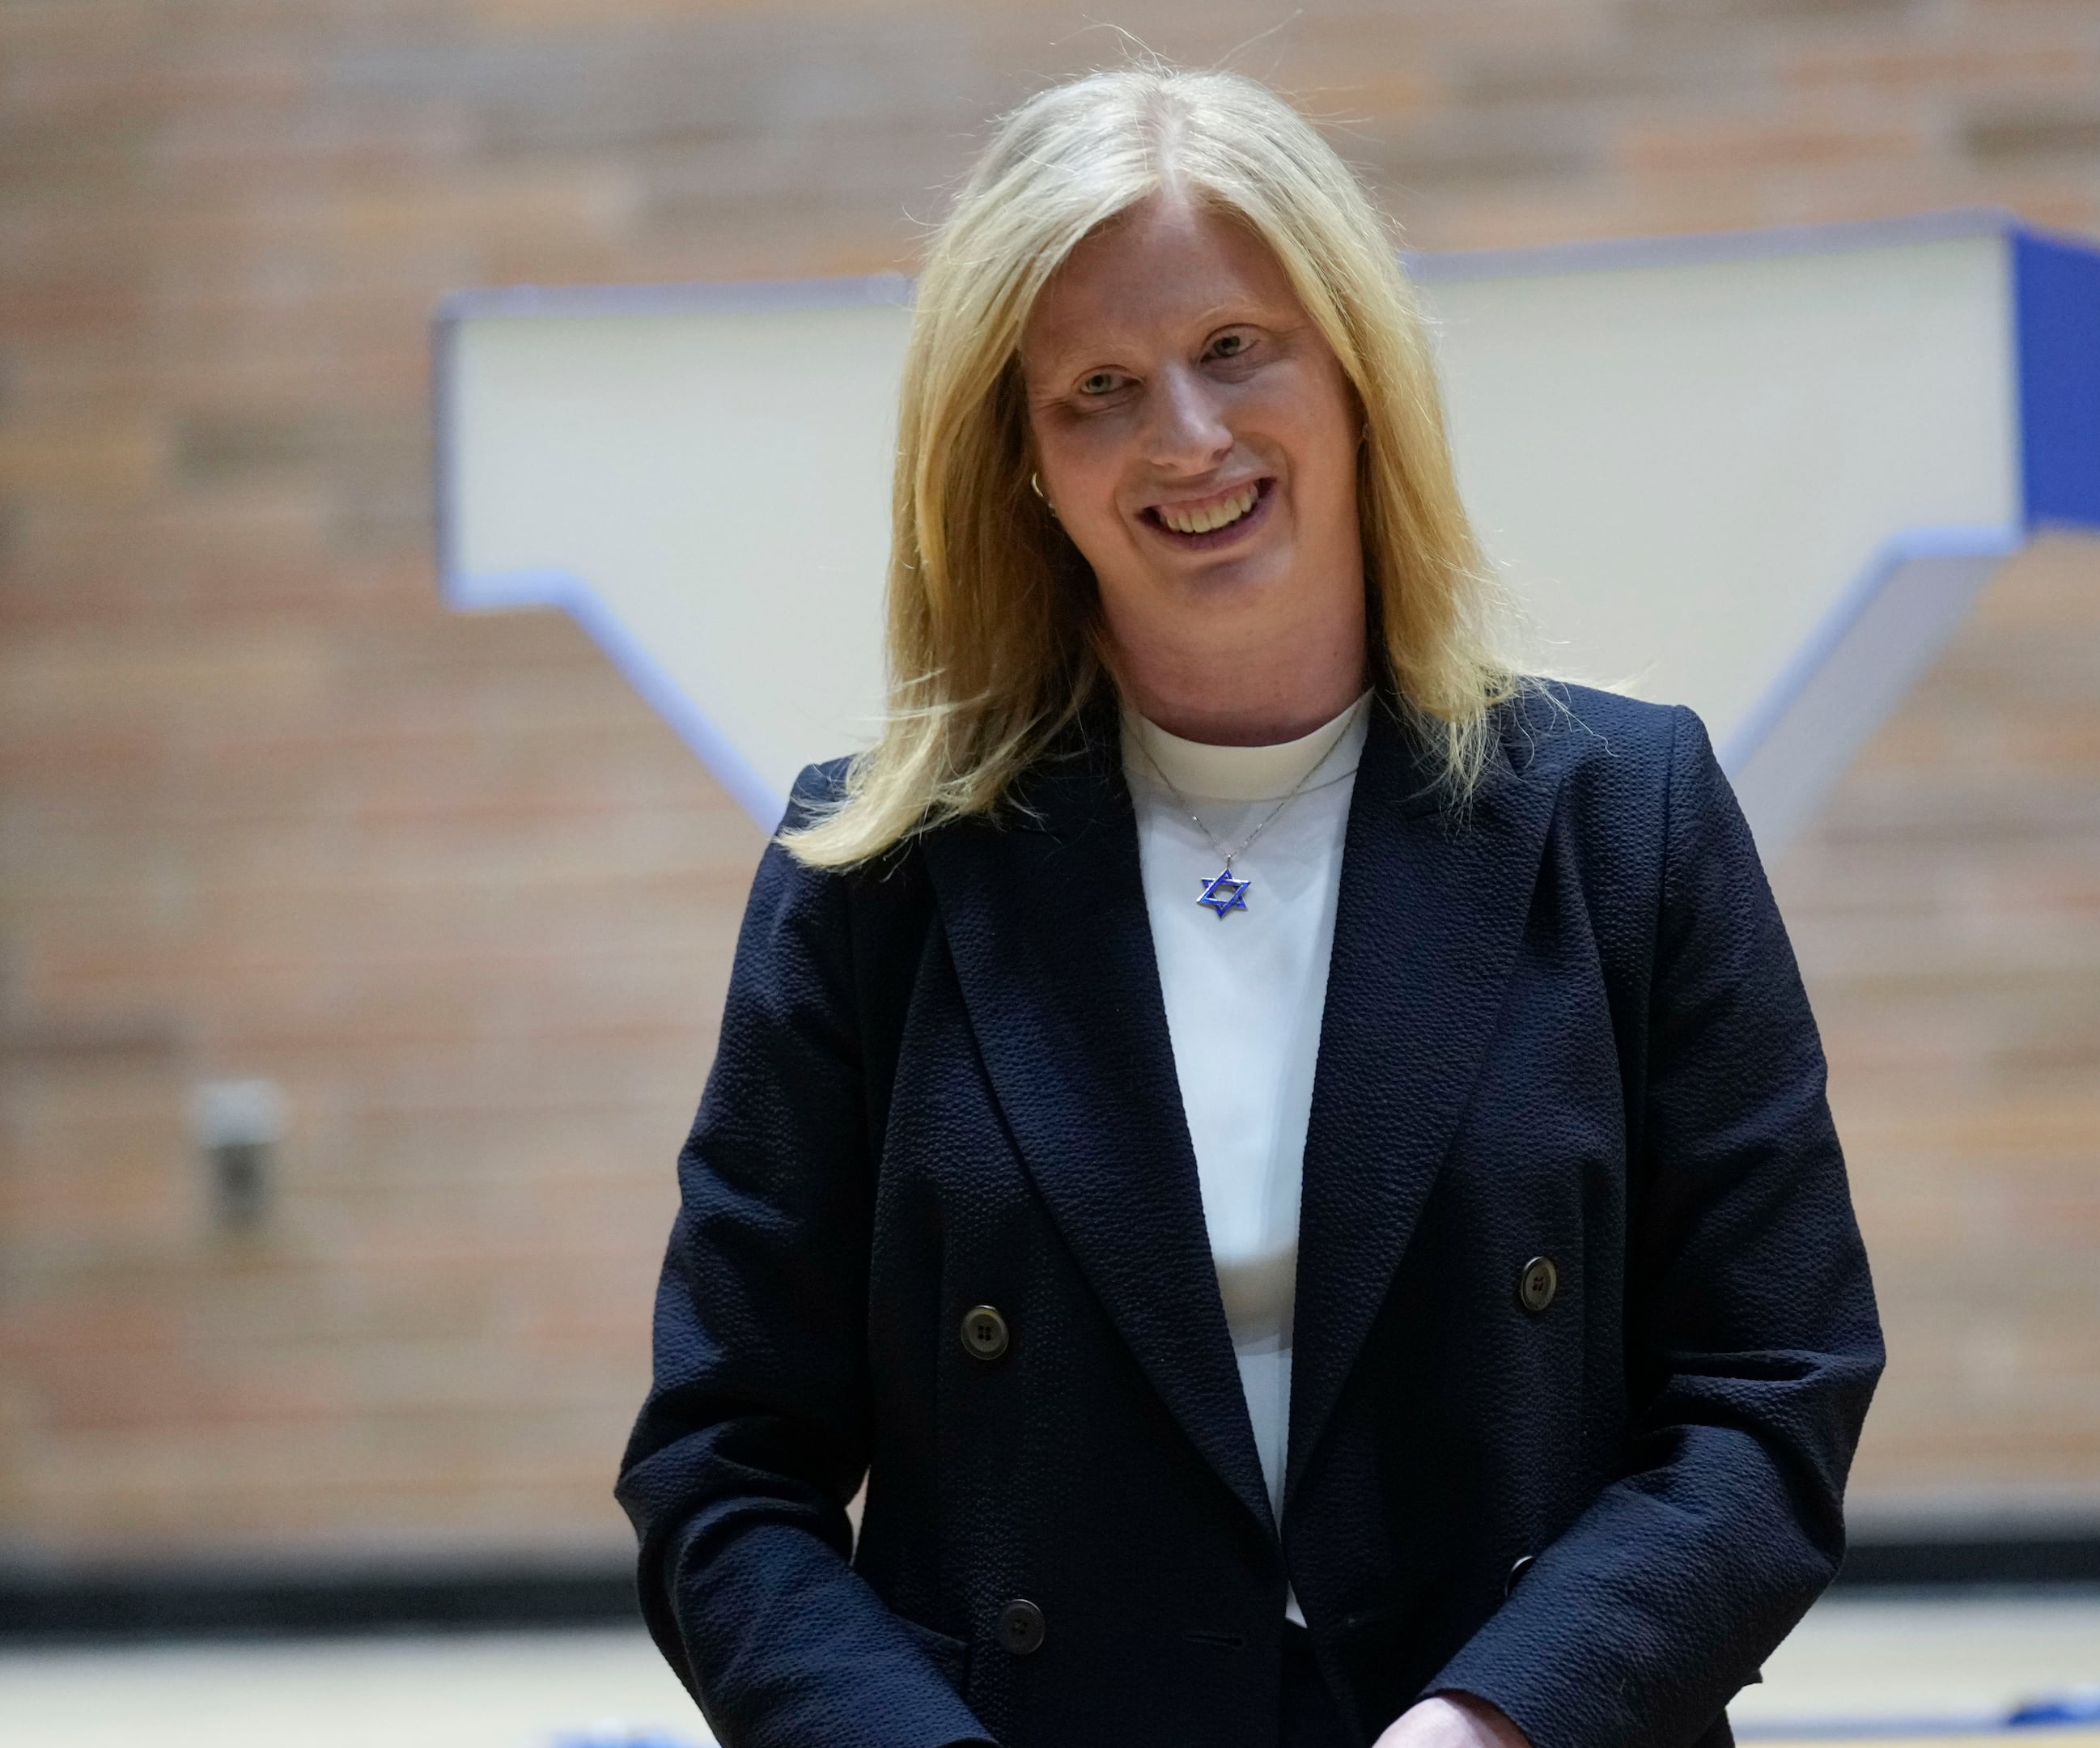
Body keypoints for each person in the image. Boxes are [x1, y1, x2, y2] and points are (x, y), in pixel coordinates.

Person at [615, 59, 1883, 1748]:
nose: (1187, 440)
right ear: (1022, 466)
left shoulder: (1625, 816)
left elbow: (1767, 1396)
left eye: (1233, 350)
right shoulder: (874, 872)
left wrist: (1502, 1724)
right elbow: (724, 1471)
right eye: (1099, 388)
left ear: (1356, 374)